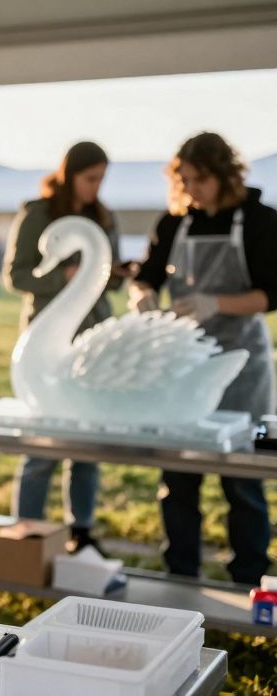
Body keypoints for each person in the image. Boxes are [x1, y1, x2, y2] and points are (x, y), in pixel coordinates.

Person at [130, 132, 276, 585]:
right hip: (183, 364)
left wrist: (215, 303)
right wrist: (144, 296)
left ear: (226, 175)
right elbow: (145, 275)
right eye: (185, 179)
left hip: (241, 364)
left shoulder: (259, 220)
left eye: (201, 179)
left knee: (242, 481)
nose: (192, 189)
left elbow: (271, 294)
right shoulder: (175, 223)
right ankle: (182, 577)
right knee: (179, 476)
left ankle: (249, 581)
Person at [3, 141, 125, 555]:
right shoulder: (37, 213)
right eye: (91, 178)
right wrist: (67, 277)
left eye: (102, 179)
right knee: (44, 438)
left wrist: (115, 274)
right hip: (49, 337)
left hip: (94, 336)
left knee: (87, 437)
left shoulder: (103, 217)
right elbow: (17, 275)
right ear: (70, 173)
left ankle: (82, 532)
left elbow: (112, 273)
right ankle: (27, 530)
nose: (96, 187)